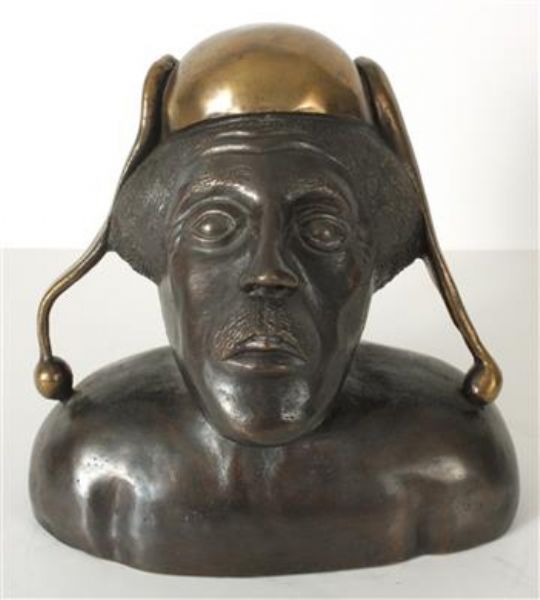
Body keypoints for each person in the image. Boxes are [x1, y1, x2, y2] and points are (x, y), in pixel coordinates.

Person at [30, 25, 518, 576]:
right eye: (215, 226)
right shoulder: (94, 469)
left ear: (375, 265)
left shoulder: (451, 467)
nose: (267, 271)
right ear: (158, 258)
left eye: (321, 230)